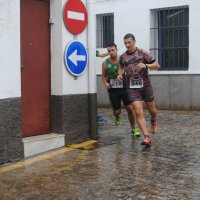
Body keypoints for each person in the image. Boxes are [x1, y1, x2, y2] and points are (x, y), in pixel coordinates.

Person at [118, 33, 160, 146]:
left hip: (145, 86)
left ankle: (153, 119)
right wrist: (120, 75)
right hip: (132, 87)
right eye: (125, 43)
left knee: (153, 110)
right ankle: (147, 137)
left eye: (129, 42)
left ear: (134, 41)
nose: (127, 45)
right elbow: (121, 67)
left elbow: (157, 65)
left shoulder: (143, 53)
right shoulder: (123, 57)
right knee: (138, 112)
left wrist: (146, 66)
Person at [102, 43, 140, 137]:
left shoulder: (123, 60)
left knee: (130, 109)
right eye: (109, 51)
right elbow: (103, 76)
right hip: (113, 90)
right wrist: (106, 83)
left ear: (117, 49)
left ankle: (133, 129)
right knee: (117, 111)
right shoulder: (105, 63)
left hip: (124, 89)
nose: (111, 52)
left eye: (112, 50)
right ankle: (117, 116)